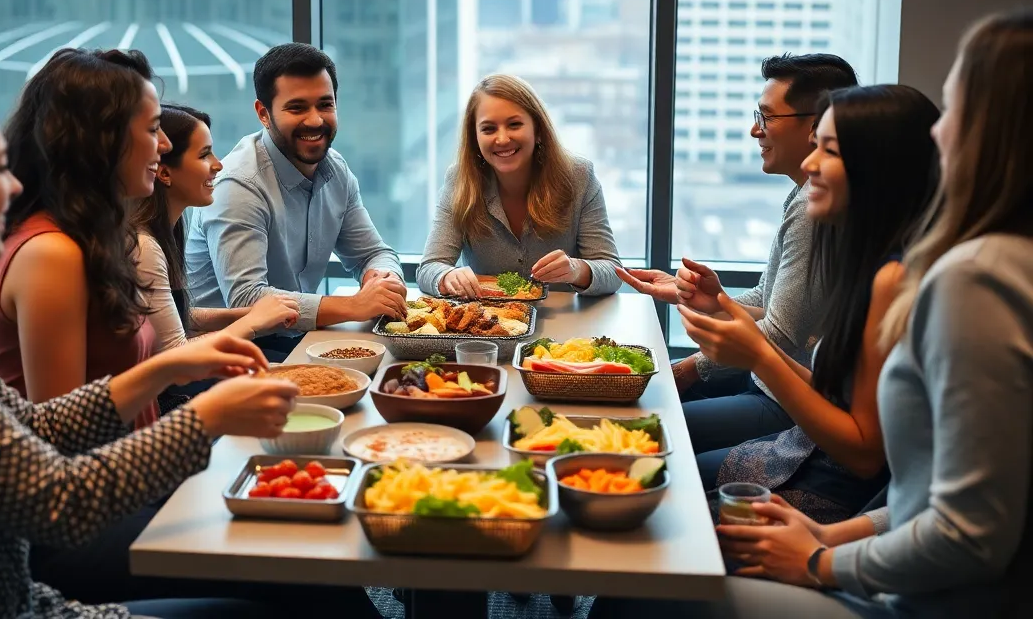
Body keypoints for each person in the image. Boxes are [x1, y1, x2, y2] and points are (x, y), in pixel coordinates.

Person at [591, 9, 1033, 619]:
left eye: (954, 110)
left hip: (904, 596)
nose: (939, 133)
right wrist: (827, 541)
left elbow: (906, 487)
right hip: (870, 544)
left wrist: (820, 560)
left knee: (648, 567)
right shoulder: (912, 262)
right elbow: (911, 490)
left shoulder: (966, 277)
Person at [0, 67, 302, 619]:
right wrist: (204, 419)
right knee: (278, 590)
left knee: (285, 578)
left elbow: (32, 424)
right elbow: (56, 500)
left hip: (19, 598)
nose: (15, 185)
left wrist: (161, 371)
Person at [680, 85, 941, 524]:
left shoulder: (896, 277)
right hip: (808, 453)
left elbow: (863, 456)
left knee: (668, 491)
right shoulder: (871, 259)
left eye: (829, 150)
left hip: (840, 490)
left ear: (879, 167)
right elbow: (834, 389)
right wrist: (723, 306)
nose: (809, 163)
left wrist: (760, 356)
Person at [620, 53, 858, 455]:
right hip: (766, 382)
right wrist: (710, 299)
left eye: (767, 118)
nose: (755, 130)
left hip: (786, 401)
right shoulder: (802, 195)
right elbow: (769, 304)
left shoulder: (812, 209)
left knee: (640, 431)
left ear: (815, 126)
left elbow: (779, 334)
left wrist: (691, 369)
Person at [0, 47, 172, 428]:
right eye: (152, 129)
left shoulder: (86, 239)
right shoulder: (51, 253)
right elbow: (62, 430)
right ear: (101, 141)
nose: (164, 144)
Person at [184, 43, 407, 360]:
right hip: (225, 354)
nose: (315, 120)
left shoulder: (335, 169)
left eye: (325, 105)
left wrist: (383, 280)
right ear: (264, 113)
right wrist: (354, 305)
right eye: (297, 107)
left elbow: (373, 253)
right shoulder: (239, 184)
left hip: (292, 340)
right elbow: (247, 299)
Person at [417, 73, 622, 298]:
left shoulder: (579, 176)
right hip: (489, 326)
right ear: (475, 137)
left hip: (565, 327)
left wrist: (576, 270)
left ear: (539, 131)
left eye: (514, 125)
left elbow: (613, 272)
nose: (502, 139)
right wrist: (446, 277)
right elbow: (429, 268)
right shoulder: (459, 180)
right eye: (488, 129)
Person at [132, 103, 298, 353]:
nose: (218, 164)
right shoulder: (145, 246)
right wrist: (253, 321)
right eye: (204, 155)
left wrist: (251, 313)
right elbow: (176, 353)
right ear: (164, 173)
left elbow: (178, 317)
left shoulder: (168, 232)